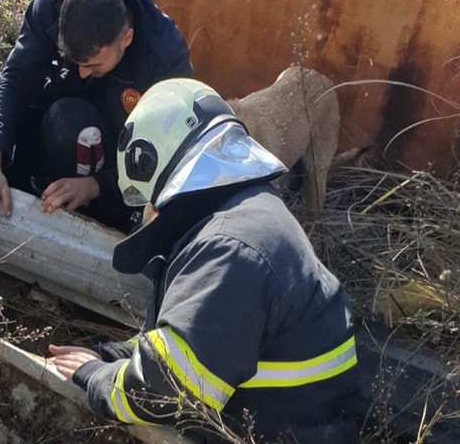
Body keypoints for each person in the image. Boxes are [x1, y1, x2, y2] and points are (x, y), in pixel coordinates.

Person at [47, 78, 364, 442]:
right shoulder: (244, 214)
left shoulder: (230, 251)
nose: (152, 213)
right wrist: (107, 355)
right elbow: (188, 341)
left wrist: (95, 376)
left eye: (153, 201)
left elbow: (162, 395)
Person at [0, 0, 192, 237]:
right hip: (41, 121)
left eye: (93, 65)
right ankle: (11, 182)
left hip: (99, 158)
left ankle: (73, 213)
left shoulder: (165, 55)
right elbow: (15, 80)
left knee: (70, 122)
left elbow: (168, 149)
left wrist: (96, 185)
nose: (82, 73)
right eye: (76, 62)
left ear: (125, 39)